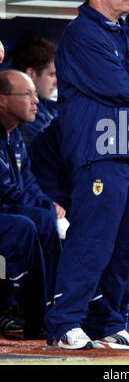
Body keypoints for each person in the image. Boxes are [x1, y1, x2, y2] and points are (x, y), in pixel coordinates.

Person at [44, 0, 129, 350]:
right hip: (100, 150)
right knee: (93, 239)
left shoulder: (126, 33)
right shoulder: (81, 33)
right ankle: (65, 322)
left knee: (125, 244)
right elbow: (128, 90)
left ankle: (106, 321)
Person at [0, 69, 62, 336]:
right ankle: (30, 313)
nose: (35, 100)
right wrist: (47, 208)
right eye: (27, 95)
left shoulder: (15, 136)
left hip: (8, 210)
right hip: (6, 212)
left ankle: (51, 309)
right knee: (26, 226)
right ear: (2, 100)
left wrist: (48, 203)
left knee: (47, 218)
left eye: (35, 94)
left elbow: (28, 184)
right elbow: (6, 191)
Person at [11, 35, 57, 145]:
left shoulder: (51, 107)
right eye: (51, 75)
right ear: (32, 74)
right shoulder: (23, 114)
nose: (56, 82)